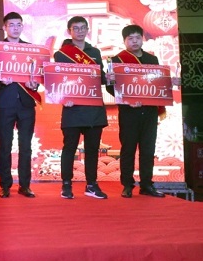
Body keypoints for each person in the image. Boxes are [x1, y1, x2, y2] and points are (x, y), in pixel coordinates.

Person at [106, 25, 178, 198]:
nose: (134, 41)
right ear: (124, 41)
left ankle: (146, 185)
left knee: (148, 149)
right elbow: (110, 87)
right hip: (128, 112)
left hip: (149, 111)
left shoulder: (151, 59)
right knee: (128, 149)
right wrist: (124, 96)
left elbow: (157, 82)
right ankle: (127, 185)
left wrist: (171, 81)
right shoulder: (117, 60)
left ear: (142, 39)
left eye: (137, 37)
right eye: (130, 38)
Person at [54, 16, 108, 199]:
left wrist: (110, 78)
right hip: (73, 108)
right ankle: (66, 185)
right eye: (76, 28)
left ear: (87, 30)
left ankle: (91, 185)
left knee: (92, 149)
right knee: (69, 148)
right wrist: (63, 98)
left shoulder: (95, 52)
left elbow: (100, 78)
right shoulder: (62, 54)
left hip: (93, 108)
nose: (80, 31)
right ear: (69, 31)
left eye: (83, 28)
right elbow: (57, 81)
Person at [0, 12, 40, 198]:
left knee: (26, 146)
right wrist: (0, 81)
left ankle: (25, 185)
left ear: (22, 27)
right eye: (12, 25)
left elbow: (37, 76)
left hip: (26, 103)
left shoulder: (31, 50)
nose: (15, 28)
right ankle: (5, 185)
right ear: (5, 27)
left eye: (19, 25)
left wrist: (35, 84)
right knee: (5, 146)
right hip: (6, 103)